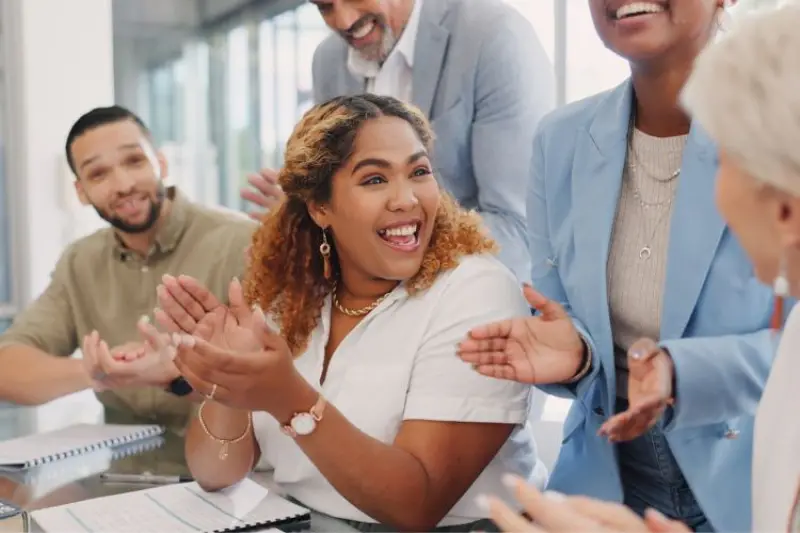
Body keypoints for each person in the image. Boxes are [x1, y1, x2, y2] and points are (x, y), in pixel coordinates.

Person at [458, 0, 781, 531]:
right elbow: (561, 307)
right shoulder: (559, 140)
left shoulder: (782, 127)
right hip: (607, 483)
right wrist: (579, 356)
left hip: (756, 483)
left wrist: (684, 372)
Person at [159, 94, 544, 531]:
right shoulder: (293, 296)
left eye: (419, 172)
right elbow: (215, 474)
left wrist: (289, 398)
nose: (406, 199)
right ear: (320, 207)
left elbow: (415, 506)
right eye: (375, 179)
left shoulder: (475, 290)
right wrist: (227, 387)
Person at [240, 0, 554, 281]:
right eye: (324, 7)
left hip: (473, 304)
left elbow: (518, 230)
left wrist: (375, 245)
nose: (344, 21)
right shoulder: (328, 61)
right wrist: (306, 217)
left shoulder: (494, 36)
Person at [0, 106, 254, 433]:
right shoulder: (80, 262)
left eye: (134, 162)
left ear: (160, 164)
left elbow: (276, 379)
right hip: (121, 475)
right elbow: (7, 367)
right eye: (98, 174)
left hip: (230, 470)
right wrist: (99, 372)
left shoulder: (239, 241)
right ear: (81, 192)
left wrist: (176, 374)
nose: (122, 185)